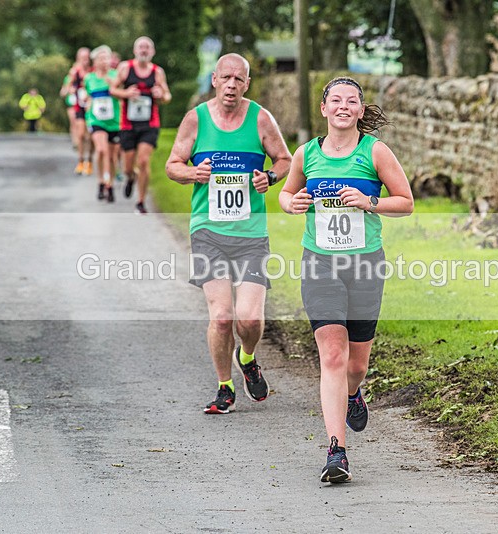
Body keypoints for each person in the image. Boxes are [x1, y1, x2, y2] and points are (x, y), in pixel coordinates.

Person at [278, 76, 414, 483]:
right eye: (335, 100)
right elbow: (287, 194)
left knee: (356, 364)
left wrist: (369, 202)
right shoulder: (307, 154)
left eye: (350, 101)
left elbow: (406, 203)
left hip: (365, 266)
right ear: (324, 109)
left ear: (359, 109)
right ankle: (336, 450)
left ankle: (355, 392)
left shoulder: (376, 152)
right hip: (320, 264)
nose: (342, 106)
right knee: (332, 356)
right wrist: (292, 202)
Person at [165, 53, 291, 414]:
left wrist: (270, 177)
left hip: (251, 232)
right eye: (226, 78)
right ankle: (225, 387)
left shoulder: (261, 118)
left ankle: (247, 357)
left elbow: (285, 160)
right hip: (208, 231)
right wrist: (194, 174)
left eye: (239, 79)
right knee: (222, 316)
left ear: (246, 84)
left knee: (249, 319)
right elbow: (173, 166)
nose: (232, 85)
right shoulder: (196, 119)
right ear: (215, 80)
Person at [111, 36, 171, 214]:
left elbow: (168, 96)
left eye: (147, 47)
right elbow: (113, 90)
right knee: (128, 167)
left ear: (152, 52)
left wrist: (160, 94)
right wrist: (126, 93)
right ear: (135, 50)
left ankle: (141, 201)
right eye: (141, 47)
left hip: (149, 124)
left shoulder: (157, 72)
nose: (144, 50)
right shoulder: (125, 68)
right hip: (128, 124)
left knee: (144, 161)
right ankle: (130, 177)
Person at [84, 45, 122, 203]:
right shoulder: (89, 78)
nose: (104, 61)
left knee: (113, 157)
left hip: (114, 122)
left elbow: (123, 96)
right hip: (96, 119)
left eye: (107, 57)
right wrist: (88, 104)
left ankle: (110, 184)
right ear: (95, 61)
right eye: (101, 58)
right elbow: (88, 95)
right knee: (101, 150)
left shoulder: (116, 76)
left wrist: (113, 86)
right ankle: (101, 181)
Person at [63, 47, 94, 175]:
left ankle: (90, 161)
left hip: (92, 107)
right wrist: (69, 90)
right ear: (78, 59)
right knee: (80, 134)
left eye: (86, 58)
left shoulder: (93, 71)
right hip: (79, 106)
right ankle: (81, 161)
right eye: (82, 58)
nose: (84, 61)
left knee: (91, 136)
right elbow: (65, 88)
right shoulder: (74, 72)